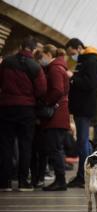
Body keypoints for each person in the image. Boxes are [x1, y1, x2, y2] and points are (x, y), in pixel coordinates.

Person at [0, 36, 47, 191]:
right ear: (33, 50)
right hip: (27, 109)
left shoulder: (6, 62)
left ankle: (5, 182)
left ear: (20, 46)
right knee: (25, 145)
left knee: (6, 144)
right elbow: (41, 90)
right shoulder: (35, 66)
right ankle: (22, 182)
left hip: (6, 107)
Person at [65, 38, 97, 187]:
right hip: (81, 107)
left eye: (72, 52)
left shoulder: (91, 61)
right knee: (83, 141)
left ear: (79, 47)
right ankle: (85, 174)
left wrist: (72, 77)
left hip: (84, 107)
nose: (71, 55)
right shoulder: (85, 60)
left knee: (82, 142)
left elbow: (89, 83)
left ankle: (83, 176)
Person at [36, 44, 70, 191]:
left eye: (41, 55)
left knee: (55, 148)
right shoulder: (60, 67)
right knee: (56, 148)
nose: (40, 59)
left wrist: (46, 102)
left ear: (48, 54)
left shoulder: (55, 68)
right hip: (60, 114)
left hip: (56, 115)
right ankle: (60, 180)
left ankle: (60, 181)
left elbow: (57, 90)